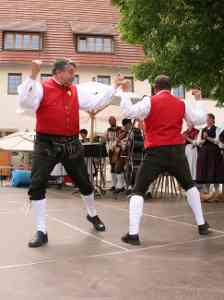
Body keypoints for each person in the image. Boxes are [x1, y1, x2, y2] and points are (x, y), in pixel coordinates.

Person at [18, 59, 118, 248]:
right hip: (46, 142)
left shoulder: (76, 90)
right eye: (71, 72)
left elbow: (96, 102)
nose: (74, 75)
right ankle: (41, 230)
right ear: (58, 72)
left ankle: (92, 214)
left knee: (84, 182)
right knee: (37, 183)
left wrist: (114, 87)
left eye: (74, 72)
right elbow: (25, 102)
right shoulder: (41, 88)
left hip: (71, 142)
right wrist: (32, 75)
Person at [118, 75, 209, 245]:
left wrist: (123, 92)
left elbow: (128, 112)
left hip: (156, 151)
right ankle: (202, 225)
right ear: (171, 88)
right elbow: (199, 119)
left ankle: (133, 234)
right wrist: (198, 99)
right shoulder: (181, 103)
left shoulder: (149, 101)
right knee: (189, 185)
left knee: (138, 190)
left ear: (155, 88)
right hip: (177, 151)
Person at [196, 113, 221, 201]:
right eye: (206, 119)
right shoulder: (202, 130)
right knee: (205, 171)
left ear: (213, 120)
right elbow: (198, 142)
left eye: (209, 119)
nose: (207, 121)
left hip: (214, 153)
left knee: (214, 171)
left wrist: (208, 138)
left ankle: (217, 193)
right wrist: (204, 139)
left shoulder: (217, 129)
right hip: (204, 154)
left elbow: (217, 141)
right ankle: (206, 193)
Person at [106, 116, 125, 193]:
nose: (111, 122)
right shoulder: (108, 130)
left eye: (112, 120)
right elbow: (106, 138)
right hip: (111, 150)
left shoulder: (120, 129)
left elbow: (122, 137)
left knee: (119, 167)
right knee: (112, 167)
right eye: (110, 121)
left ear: (115, 121)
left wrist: (118, 142)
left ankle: (120, 186)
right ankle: (113, 185)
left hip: (118, 150)